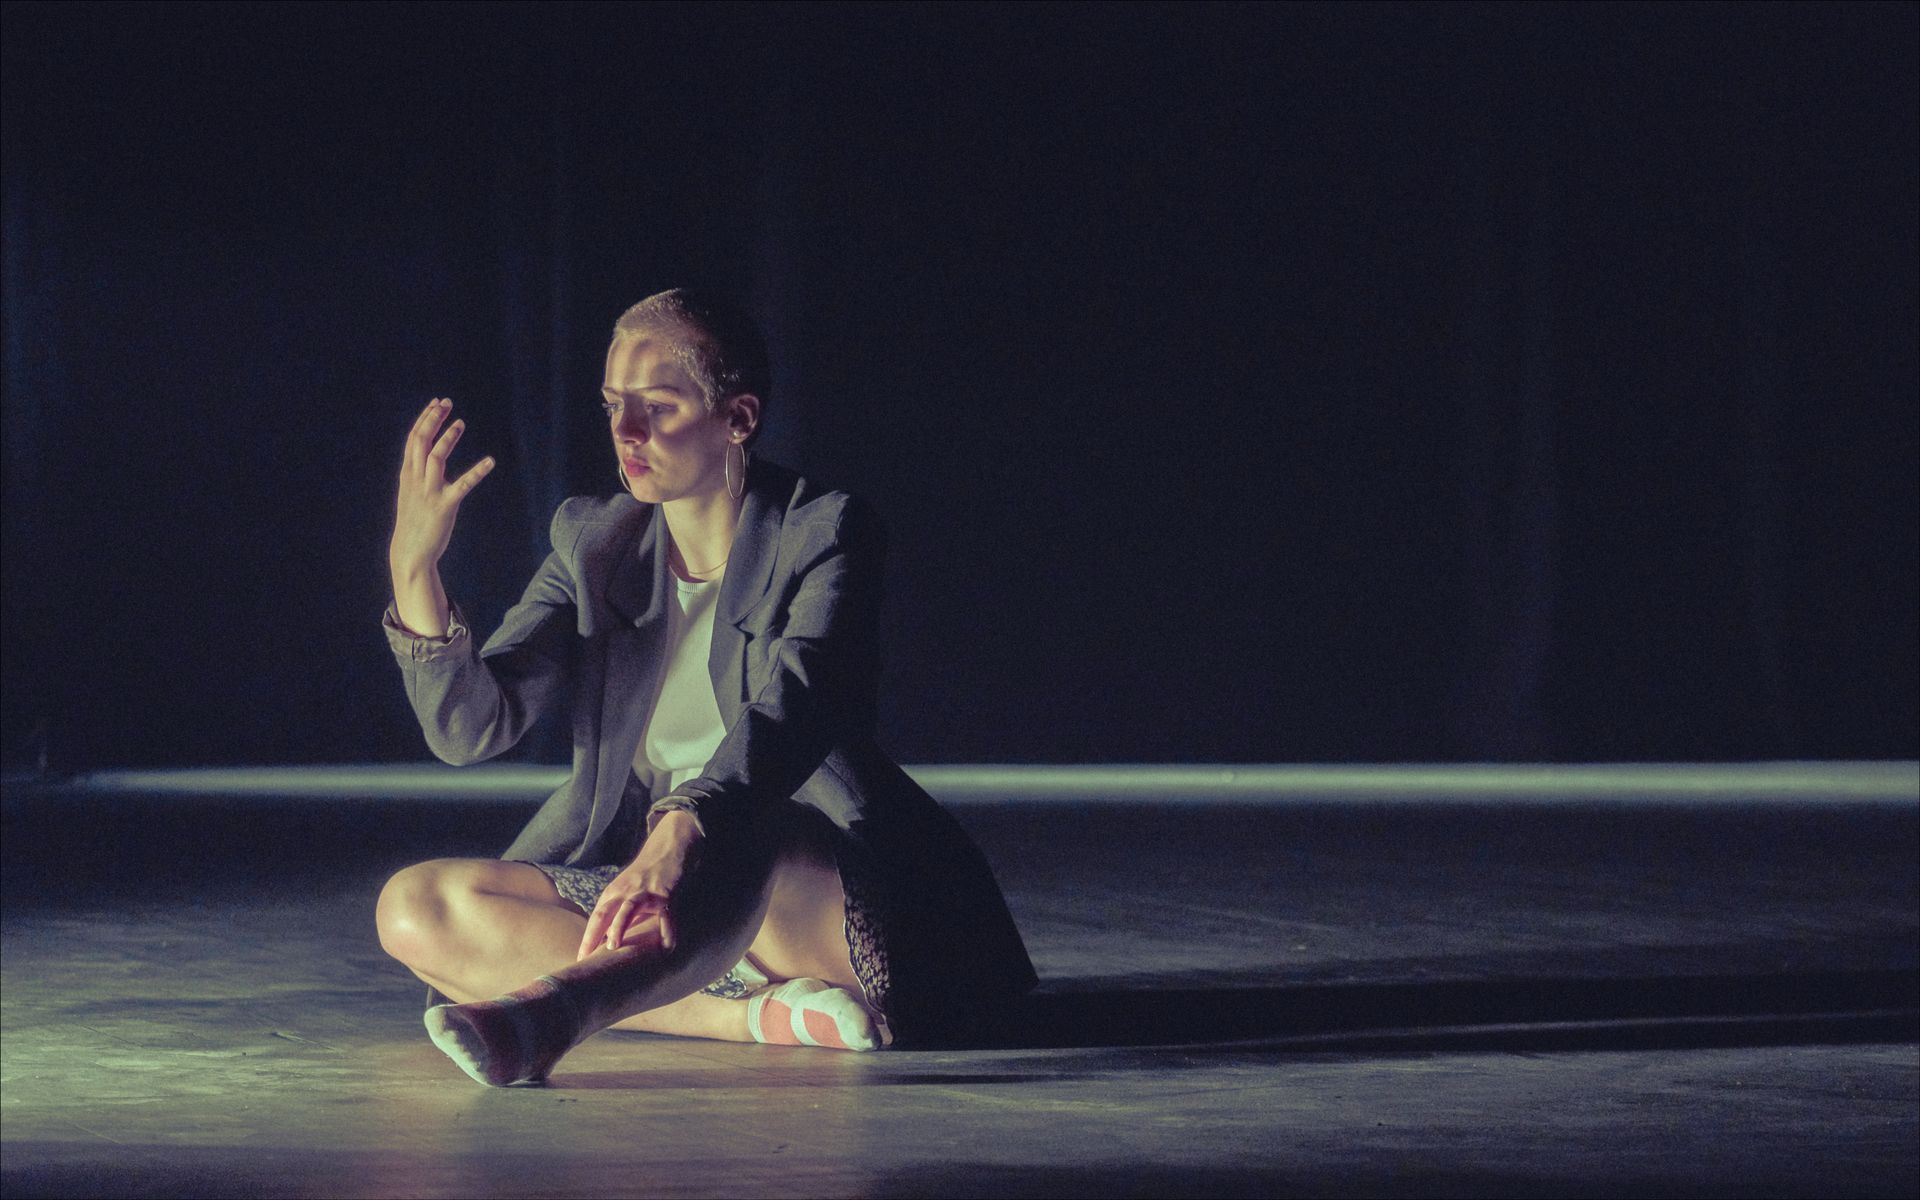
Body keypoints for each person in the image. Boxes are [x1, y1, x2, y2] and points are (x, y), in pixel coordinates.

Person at [374, 289, 1036, 1086]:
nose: (625, 432)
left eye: (658, 406)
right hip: (670, 902)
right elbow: (471, 729)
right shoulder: (595, 541)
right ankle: (755, 1016)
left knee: (748, 823)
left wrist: (685, 822)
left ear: (738, 418)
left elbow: (799, 704)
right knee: (415, 908)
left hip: (824, 901)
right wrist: (415, 571)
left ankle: (559, 1014)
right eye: (613, 404)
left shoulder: (823, 530)